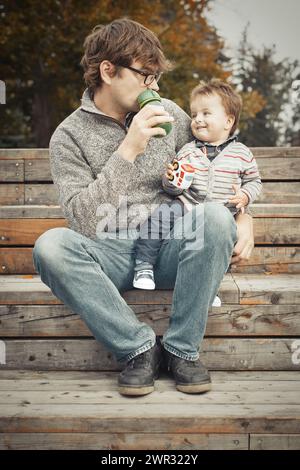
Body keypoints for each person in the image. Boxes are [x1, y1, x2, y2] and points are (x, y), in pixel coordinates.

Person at [32, 19, 254, 397]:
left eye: (156, 77)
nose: (155, 86)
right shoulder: (68, 137)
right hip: (110, 251)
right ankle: (138, 348)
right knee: (50, 246)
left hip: (169, 246)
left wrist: (244, 215)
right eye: (146, 75)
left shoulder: (169, 112)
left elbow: (222, 160)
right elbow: (82, 220)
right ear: (108, 70)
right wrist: (128, 151)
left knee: (214, 218)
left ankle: (182, 350)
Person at [133, 80, 262, 304]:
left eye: (206, 113)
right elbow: (173, 185)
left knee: (217, 242)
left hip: (223, 212)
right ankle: (144, 265)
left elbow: (254, 181)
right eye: (194, 114)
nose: (197, 119)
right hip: (187, 205)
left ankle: (207, 288)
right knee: (161, 216)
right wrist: (172, 180)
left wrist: (245, 196)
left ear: (228, 121)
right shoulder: (189, 150)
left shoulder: (242, 154)